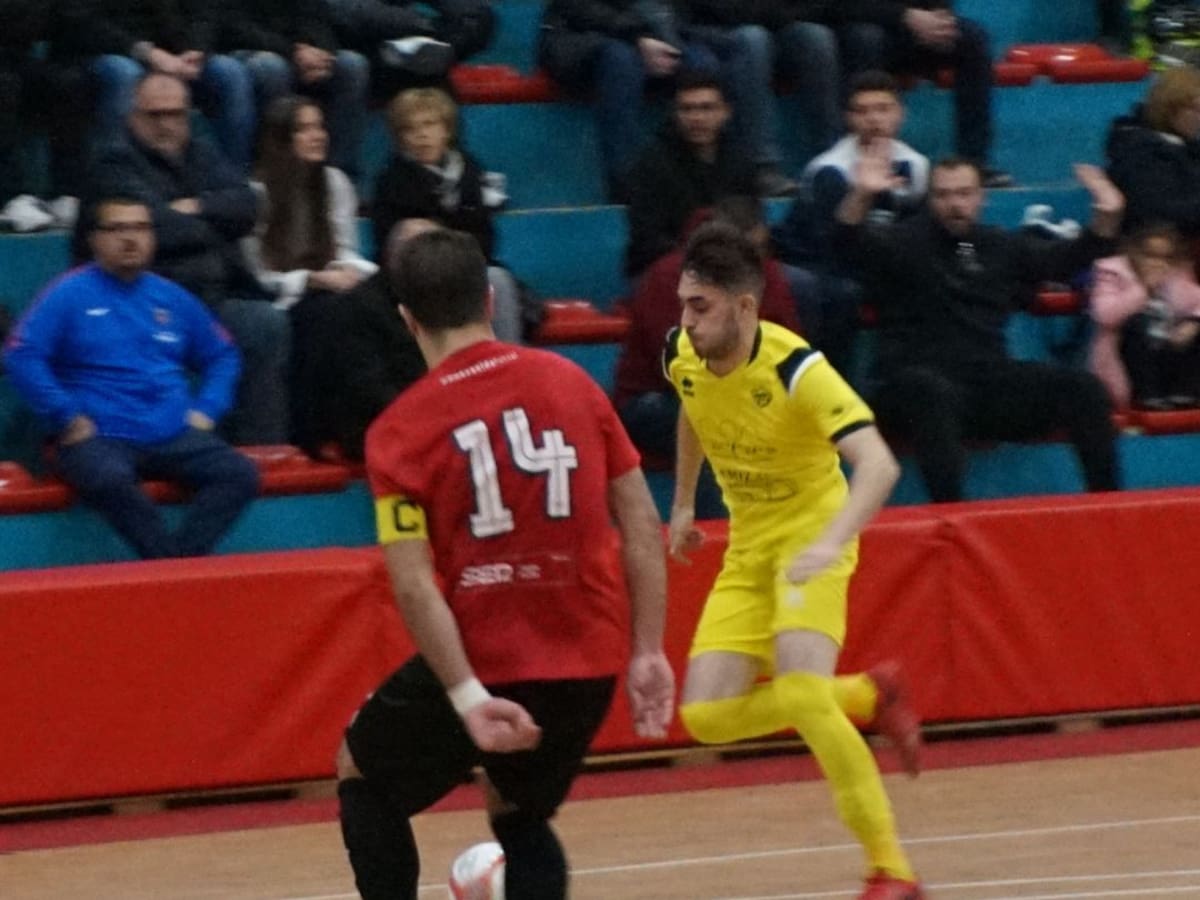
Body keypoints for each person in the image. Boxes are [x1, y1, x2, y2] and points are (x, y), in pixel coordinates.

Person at [335, 228, 675, 900]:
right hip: (587, 656)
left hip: (487, 654)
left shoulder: (398, 432)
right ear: (489, 300)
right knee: (518, 812)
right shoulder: (573, 383)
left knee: (364, 775)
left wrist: (467, 697)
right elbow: (640, 522)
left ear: (407, 318)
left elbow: (413, 583)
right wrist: (648, 650)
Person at [665, 221, 924, 900]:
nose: (687, 322)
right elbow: (692, 407)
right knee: (704, 718)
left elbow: (880, 465)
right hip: (748, 547)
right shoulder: (682, 353)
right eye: (683, 304)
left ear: (745, 306)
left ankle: (892, 870)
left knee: (805, 695)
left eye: (700, 307)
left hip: (811, 540)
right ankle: (868, 694)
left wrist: (831, 541)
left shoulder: (797, 369)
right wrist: (684, 502)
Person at [836, 149, 1125, 503]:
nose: (954, 204)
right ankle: (953, 517)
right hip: (909, 385)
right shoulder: (903, 241)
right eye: (943, 195)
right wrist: (861, 194)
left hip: (984, 384)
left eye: (964, 194)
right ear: (930, 199)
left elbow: (1065, 261)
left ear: (981, 197)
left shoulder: (999, 244)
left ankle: (1110, 508)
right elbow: (846, 244)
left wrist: (1106, 217)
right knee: (930, 392)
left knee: (1083, 387)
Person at [3, 197, 259, 559]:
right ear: (95, 240)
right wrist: (66, 416)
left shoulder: (170, 297)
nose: (130, 238)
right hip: (99, 435)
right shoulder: (68, 293)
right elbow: (21, 354)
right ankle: (174, 567)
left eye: (140, 228)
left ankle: (177, 562)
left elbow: (222, 355)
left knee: (239, 474)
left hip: (173, 432)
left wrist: (207, 409)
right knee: (108, 479)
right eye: (117, 229)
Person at [80, 72, 292, 445]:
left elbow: (248, 206)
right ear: (133, 116)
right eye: (155, 114)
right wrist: (214, 221)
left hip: (214, 297)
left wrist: (194, 206)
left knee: (268, 322)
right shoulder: (113, 162)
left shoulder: (201, 152)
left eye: (175, 114)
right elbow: (156, 231)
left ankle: (264, 450)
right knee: (257, 324)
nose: (166, 124)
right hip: (139, 303)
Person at [241, 95, 378, 455]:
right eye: (304, 129)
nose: (318, 135)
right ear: (280, 138)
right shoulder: (256, 194)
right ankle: (314, 434)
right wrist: (312, 279)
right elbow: (259, 273)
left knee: (376, 303)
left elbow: (345, 250)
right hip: (279, 297)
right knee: (329, 313)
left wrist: (364, 273)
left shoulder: (335, 182)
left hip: (327, 286)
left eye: (319, 126)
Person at [774, 70, 929, 377]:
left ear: (900, 113)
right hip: (823, 265)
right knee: (842, 294)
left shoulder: (916, 166)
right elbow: (829, 249)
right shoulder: (829, 170)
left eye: (883, 109)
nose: (874, 119)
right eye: (863, 111)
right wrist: (861, 195)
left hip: (880, 264)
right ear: (849, 118)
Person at [372, 87, 530, 343]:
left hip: (466, 266)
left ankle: (506, 357)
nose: (422, 135)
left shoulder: (470, 171)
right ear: (400, 138)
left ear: (446, 129)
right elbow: (387, 244)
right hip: (415, 275)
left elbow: (486, 237)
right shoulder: (391, 181)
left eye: (429, 124)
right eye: (410, 129)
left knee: (498, 280)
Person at [52, 0, 256, 169]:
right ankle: (117, 183)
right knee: (126, 74)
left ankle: (231, 180)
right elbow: (80, 20)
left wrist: (195, 49)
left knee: (229, 72)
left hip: (177, 54)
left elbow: (205, 11)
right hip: (108, 52)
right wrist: (146, 52)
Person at [835, 2, 1010, 188]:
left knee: (971, 37)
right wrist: (905, 16)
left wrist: (939, 18)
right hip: (861, 22)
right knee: (864, 38)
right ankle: (861, 161)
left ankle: (974, 162)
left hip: (912, 29)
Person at [213, 0, 369, 179]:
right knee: (271, 68)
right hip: (248, 48)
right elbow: (234, 25)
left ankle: (336, 176)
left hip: (302, 50)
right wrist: (294, 52)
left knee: (352, 65)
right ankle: (275, 171)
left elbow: (318, 15)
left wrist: (321, 50)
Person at [624, 70, 757, 279]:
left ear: (726, 112)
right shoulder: (652, 163)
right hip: (667, 268)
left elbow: (752, 223)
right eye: (687, 109)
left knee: (798, 282)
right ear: (675, 114)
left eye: (706, 108)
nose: (696, 117)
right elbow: (647, 238)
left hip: (730, 264)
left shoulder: (741, 158)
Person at [1089, 222, 1200, 411]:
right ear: (1133, 252)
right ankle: (1148, 397)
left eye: (1165, 257)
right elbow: (1104, 315)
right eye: (1150, 255)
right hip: (1130, 363)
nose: (1157, 263)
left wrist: (1194, 321)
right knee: (1137, 322)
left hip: (1167, 355)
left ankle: (1184, 394)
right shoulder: (1113, 272)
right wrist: (1144, 289)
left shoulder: (1175, 275)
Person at [1106, 66, 1200, 242]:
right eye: (1195, 110)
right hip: (1150, 244)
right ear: (1169, 108)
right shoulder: (1140, 152)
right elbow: (1158, 212)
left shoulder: (1186, 147)